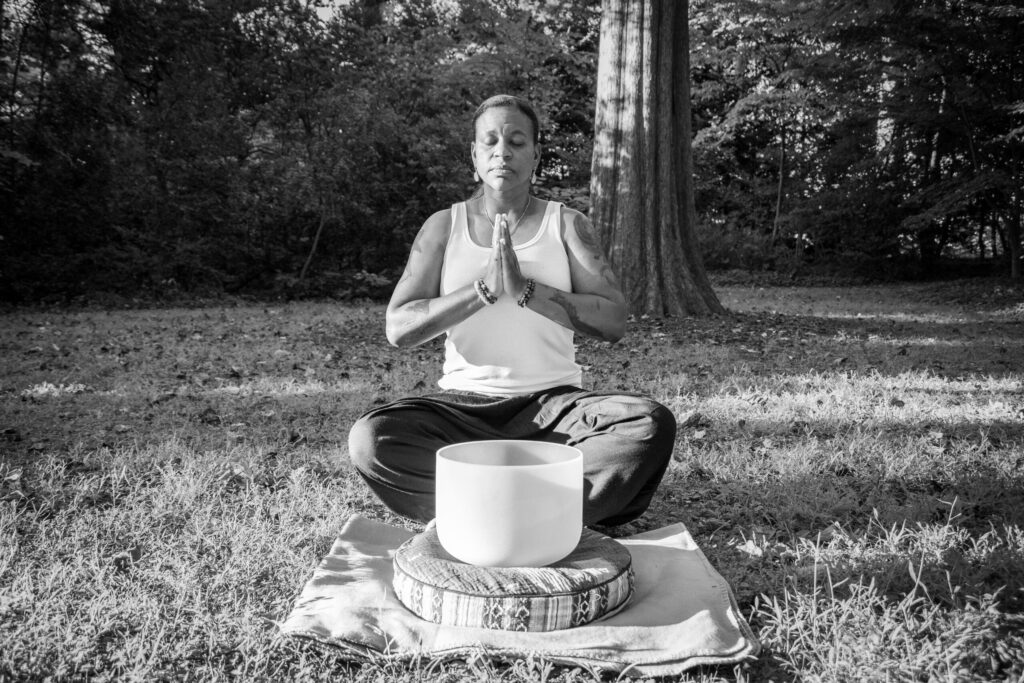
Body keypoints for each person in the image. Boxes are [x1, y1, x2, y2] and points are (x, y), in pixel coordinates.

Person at [347, 94, 676, 527]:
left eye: (517, 142)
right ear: (475, 155)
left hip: (555, 411)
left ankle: (480, 512)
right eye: (490, 142)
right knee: (372, 439)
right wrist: (482, 290)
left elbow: (614, 321)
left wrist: (526, 290)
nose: (502, 152)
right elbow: (399, 326)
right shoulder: (443, 226)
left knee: (647, 424)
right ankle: (544, 512)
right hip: (464, 411)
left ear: (535, 155)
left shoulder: (567, 224)